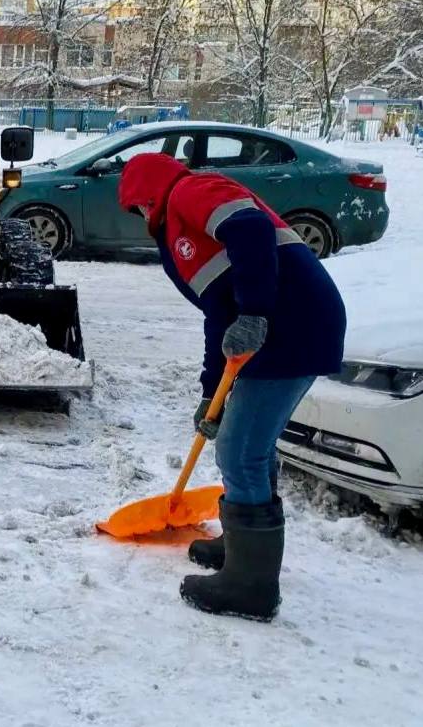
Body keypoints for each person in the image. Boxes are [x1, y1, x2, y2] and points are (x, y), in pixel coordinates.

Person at [118, 152, 346, 621]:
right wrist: (211, 391)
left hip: (293, 329)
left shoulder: (190, 191)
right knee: (251, 446)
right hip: (285, 329)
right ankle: (241, 550)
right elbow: (217, 315)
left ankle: (251, 587)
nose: (139, 216)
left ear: (147, 193)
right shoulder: (180, 230)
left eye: (137, 206)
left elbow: (250, 228)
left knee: (241, 452)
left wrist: (255, 313)